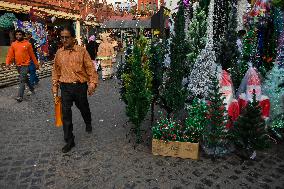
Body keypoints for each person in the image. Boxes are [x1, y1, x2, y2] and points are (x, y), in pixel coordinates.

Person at [52, 26, 98, 153]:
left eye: (67, 37)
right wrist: (55, 89)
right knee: (65, 113)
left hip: (79, 87)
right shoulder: (59, 53)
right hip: (65, 87)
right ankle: (69, 140)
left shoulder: (82, 51)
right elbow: (55, 72)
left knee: (84, 108)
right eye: (62, 37)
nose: (64, 40)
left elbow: (90, 68)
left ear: (73, 38)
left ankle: (88, 122)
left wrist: (92, 83)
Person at [6, 29, 39, 102]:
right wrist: (7, 63)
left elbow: (32, 55)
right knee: (25, 78)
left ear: (23, 35)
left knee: (21, 80)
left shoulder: (28, 44)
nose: (18, 36)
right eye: (17, 34)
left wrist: (36, 64)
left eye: (20, 34)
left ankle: (20, 96)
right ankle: (31, 88)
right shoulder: (13, 44)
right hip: (18, 65)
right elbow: (10, 55)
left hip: (26, 64)